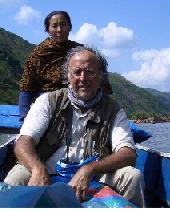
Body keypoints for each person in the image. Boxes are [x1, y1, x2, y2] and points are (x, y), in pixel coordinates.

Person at [5, 46, 145, 207]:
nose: (83, 78)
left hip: (95, 175)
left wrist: (89, 169)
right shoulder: (48, 101)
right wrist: (37, 168)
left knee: (132, 177)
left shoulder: (113, 110)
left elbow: (128, 154)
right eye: (77, 72)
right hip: (46, 169)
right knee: (14, 180)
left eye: (90, 72)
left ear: (101, 77)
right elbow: (23, 142)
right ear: (68, 76)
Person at [19, 11, 112, 120]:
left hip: (80, 103)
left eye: (63, 25)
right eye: (54, 26)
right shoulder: (38, 55)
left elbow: (101, 79)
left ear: (70, 27)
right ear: (48, 30)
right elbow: (26, 87)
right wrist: (24, 117)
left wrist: (108, 107)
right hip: (48, 106)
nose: (59, 30)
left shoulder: (80, 52)